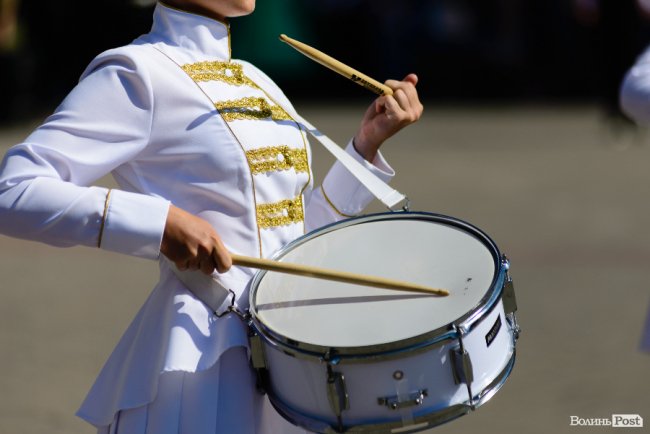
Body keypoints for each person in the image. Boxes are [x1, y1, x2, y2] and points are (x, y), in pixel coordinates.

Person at [0, 1, 423, 433]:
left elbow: (294, 246)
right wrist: (160, 224)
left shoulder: (257, 80)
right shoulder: (135, 73)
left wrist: (365, 146)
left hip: (289, 366)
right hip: (202, 365)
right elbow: (13, 188)